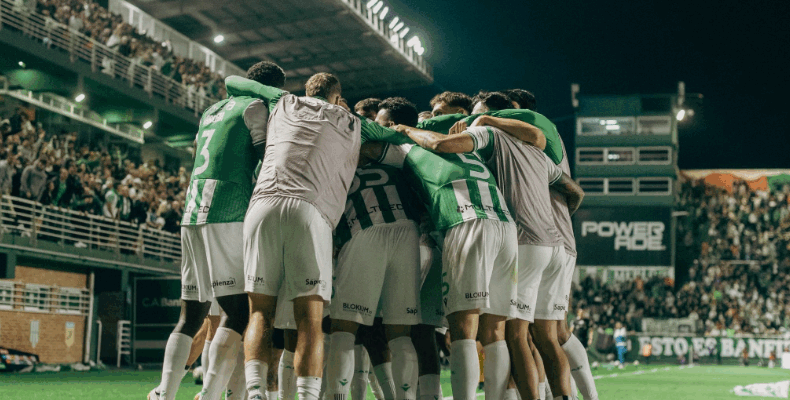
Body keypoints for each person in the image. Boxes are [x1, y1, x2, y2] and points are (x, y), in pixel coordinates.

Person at [396, 92, 583, 400]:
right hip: (547, 241)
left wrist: (406, 130)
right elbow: (574, 190)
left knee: (503, 334)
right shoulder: (534, 151)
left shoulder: (485, 133)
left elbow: (441, 144)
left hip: (510, 234)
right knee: (540, 335)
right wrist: (561, 220)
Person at [235, 71, 408, 400]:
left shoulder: (283, 102)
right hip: (309, 210)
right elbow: (396, 136)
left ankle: (256, 393)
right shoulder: (352, 121)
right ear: (337, 94)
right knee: (309, 319)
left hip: (261, 207)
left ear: (306, 90)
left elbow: (234, 81)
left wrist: (276, 93)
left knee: (259, 311)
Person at [149, 60, 286, 400]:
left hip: (192, 210)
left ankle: (163, 394)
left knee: (192, 313)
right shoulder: (255, 106)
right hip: (228, 208)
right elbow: (265, 157)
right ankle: (210, 395)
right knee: (241, 311)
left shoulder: (211, 110)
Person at [363, 105, 518, 400]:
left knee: (463, 331)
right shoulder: (469, 146)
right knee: (495, 332)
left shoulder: (409, 147)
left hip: (466, 221)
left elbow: (369, 148)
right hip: (504, 225)